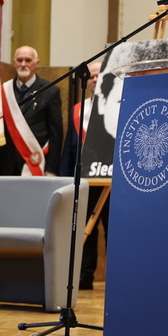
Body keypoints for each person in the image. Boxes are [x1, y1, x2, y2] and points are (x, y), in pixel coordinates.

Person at [59, 60, 110, 290]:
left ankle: (116, 277)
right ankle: (85, 276)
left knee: (113, 229)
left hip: (111, 178)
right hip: (85, 179)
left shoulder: (117, 108)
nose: (95, 79)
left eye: (99, 75)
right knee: (84, 228)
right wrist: (64, 177)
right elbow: (70, 146)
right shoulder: (78, 110)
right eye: (91, 76)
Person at [0, 46, 63, 176]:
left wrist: (51, 169)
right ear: (14, 63)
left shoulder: (50, 91)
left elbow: (56, 135)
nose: (23, 64)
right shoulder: (3, 91)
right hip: (6, 164)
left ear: (37, 63)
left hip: (36, 162)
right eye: (19, 60)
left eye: (28, 60)